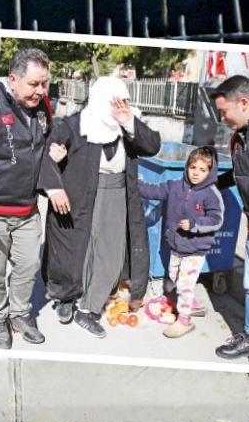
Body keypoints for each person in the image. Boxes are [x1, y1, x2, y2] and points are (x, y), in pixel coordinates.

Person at [42, 76, 162, 338]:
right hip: (79, 195)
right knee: (74, 251)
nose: (121, 106)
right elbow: (46, 153)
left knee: (110, 252)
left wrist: (128, 121)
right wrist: (55, 171)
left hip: (117, 192)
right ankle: (66, 298)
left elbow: (153, 145)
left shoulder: (128, 122)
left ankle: (88, 309)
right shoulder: (76, 124)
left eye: (125, 101)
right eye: (115, 102)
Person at [0, 47, 64, 349]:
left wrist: (55, 152)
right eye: (34, 84)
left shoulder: (43, 107)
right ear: (12, 79)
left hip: (28, 210)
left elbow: (45, 147)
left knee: (28, 267)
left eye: (44, 83)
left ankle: (20, 314)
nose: (41, 91)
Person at [210, 75, 249, 361]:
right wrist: (210, 185)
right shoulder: (239, 137)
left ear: (244, 103)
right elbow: (239, 174)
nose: (222, 118)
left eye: (224, 111)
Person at [136, 147, 225, 338]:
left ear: (210, 172)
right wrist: (134, 183)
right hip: (176, 246)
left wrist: (194, 225)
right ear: (187, 167)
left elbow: (216, 220)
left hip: (195, 249)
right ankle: (191, 304)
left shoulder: (211, 194)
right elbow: (154, 190)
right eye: (193, 167)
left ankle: (185, 321)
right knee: (174, 275)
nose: (196, 173)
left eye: (202, 170)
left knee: (184, 283)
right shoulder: (175, 186)